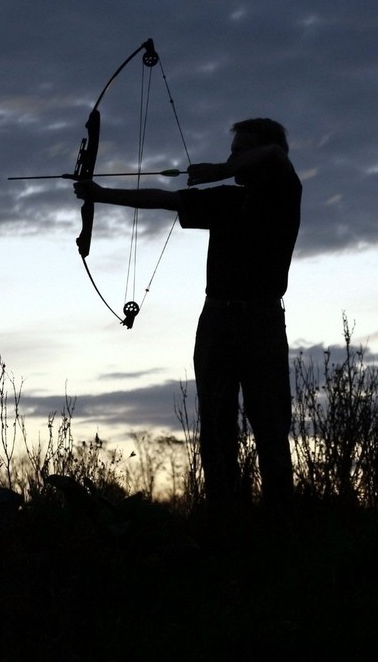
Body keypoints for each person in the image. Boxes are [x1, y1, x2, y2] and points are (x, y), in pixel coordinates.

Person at [73, 118, 302, 516]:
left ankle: (281, 523)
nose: (232, 158)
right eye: (231, 152)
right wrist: (100, 194)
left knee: (269, 426)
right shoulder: (228, 201)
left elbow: (276, 155)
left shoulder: (283, 193)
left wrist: (221, 169)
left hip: (261, 321)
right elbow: (165, 199)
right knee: (216, 428)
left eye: (240, 151)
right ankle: (223, 520)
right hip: (217, 320)